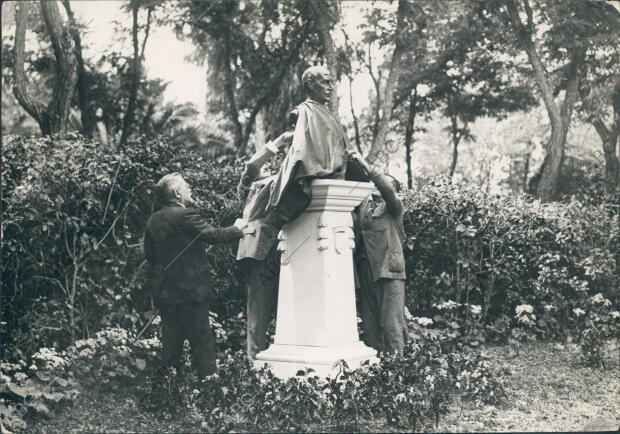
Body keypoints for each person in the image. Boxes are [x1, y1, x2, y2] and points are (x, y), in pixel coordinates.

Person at [144, 173, 246, 378]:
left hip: (167, 294)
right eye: (187, 187)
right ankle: (209, 394)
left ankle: (166, 394)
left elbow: (151, 257)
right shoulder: (185, 215)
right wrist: (238, 228)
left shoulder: (153, 220)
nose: (190, 189)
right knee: (202, 343)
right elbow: (214, 236)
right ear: (177, 192)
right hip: (192, 293)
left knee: (171, 345)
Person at [247, 65, 352, 224]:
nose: (331, 87)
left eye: (331, 82)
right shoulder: (303, 112)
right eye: (325, 82)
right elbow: (299, 151)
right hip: (318, 184)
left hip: (336, 182)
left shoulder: (330, 115)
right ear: (310, 84)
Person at [236, 131, 293, 360]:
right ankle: (254, 367)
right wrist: (279, 142)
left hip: (287, 252)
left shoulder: (286, 183)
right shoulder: (254, 184)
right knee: (258, 316)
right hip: (260, 255)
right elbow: (251, 165)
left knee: (288, 315)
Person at [349, 152, 408, 356]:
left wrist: (366, 166)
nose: (376, 185)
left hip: (389, 271)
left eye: (384, 183)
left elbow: (385, 188)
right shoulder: (364, 207)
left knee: (391, 324)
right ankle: (377, 374)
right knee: (371, 326)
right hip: (367, 273)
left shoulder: (394, 208)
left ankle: (398, 370)